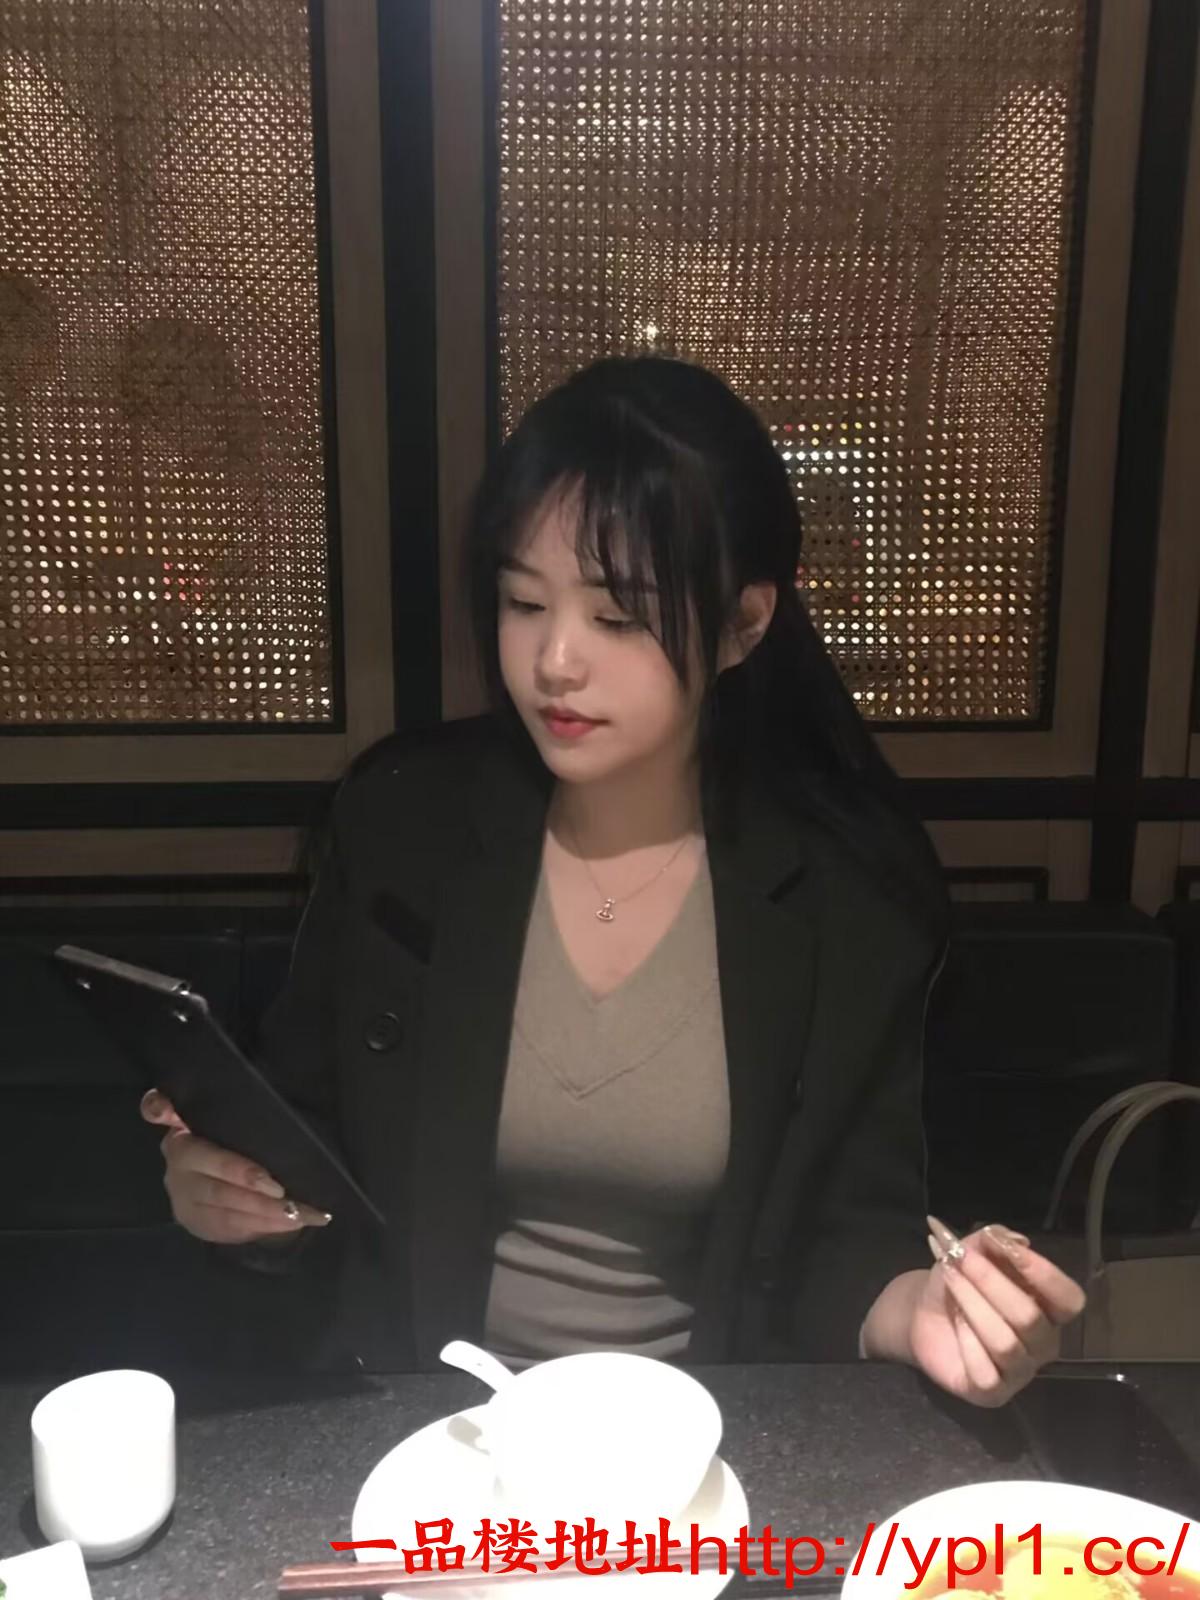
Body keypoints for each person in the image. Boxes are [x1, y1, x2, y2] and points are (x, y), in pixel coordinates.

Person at [142, 354, 1085, 1404]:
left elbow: (846, 1237)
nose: (554, 661)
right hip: (428, 1420)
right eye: (523, 601)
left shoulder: (846, 890)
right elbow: (313, 1153)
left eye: (618, 616)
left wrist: (923, 1313)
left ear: (744, 624)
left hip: (701, 1432)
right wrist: (233, 1199)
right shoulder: (406, 822)